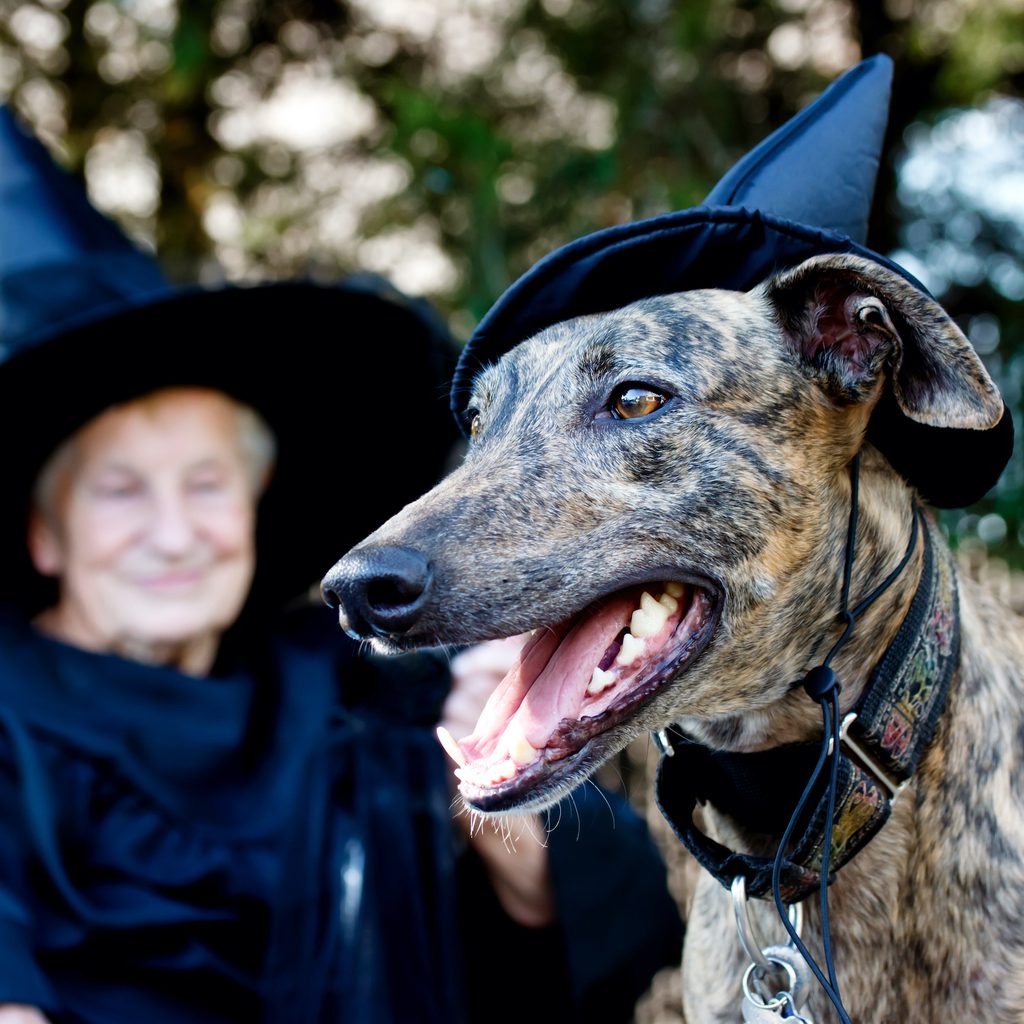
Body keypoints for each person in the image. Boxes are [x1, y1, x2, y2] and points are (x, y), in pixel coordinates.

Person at [0, 106, 683, 1023]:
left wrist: (496, 765)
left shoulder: (355, 681)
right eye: (120, 492)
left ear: (253, 508)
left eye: (206, 485)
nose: (173, 532)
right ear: (45, 534)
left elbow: (588, 933)